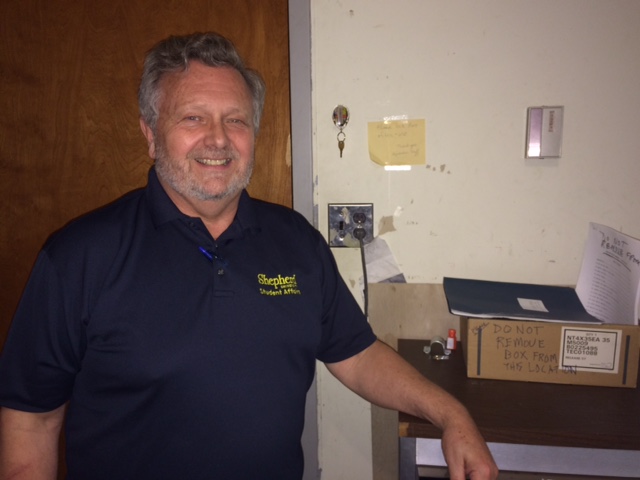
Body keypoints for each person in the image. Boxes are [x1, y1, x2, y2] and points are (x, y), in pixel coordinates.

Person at [0, 32, 498, 480]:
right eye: (193, 118)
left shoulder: (296, 242)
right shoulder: (79, 257)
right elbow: (31, 420)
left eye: (235, 120)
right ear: (150, 134)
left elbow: (359, 356)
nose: (218, 138)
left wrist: (451, 414)